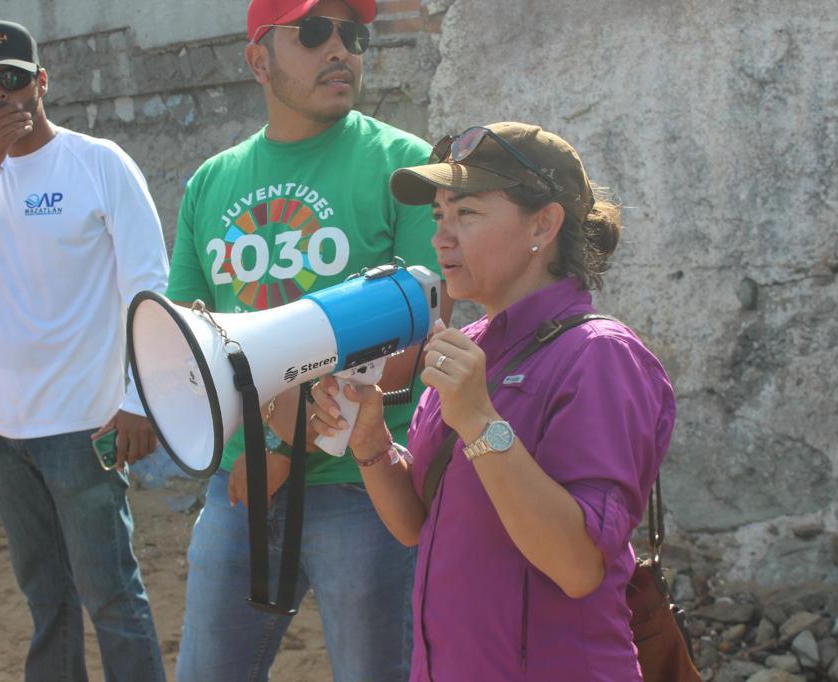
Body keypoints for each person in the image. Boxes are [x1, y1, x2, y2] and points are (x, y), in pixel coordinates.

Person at [310, 122, 677, 680]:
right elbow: (418, 526)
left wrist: (481, 422)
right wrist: (371, 444)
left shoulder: (600, 357)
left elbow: (578, 567)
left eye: (468, 213)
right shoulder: (472, 348)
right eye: (438, 216)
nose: (440, 237)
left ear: (543, 224)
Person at [164, 1, 451, 680]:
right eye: (315, 32)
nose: (342, 50)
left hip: (365, 489)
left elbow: (418, 333)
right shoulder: (210, 183)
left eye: (353, 35)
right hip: (244, 487)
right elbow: (185, 335)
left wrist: (287, 438)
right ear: (258, 59)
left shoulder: (405, 166)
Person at [0, 19, 169, 682]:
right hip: (4, 432)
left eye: (15, 79)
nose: (2, 97)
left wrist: (139, 399)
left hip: (86, 426)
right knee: (45, 601)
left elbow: (150, 288)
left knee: (112, 596)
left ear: (42, 81)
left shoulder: (100, 162)